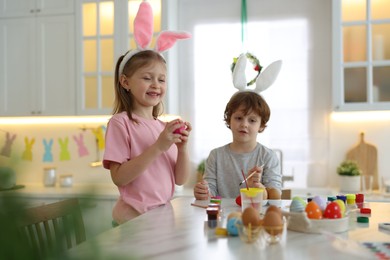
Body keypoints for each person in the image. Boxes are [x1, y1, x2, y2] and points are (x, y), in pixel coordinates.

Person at [103, 1, 191, 224]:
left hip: (160, 218)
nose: (156, 85)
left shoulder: (162, 127)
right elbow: (120, 178)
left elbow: (180, 179)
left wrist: (182, 148)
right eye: (147, 78)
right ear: (125, 82)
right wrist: (159, 146)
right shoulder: (120, 123)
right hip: (131, 221)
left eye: (161, 79)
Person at [193, 91, 282, 200]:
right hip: (223, 216)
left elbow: (276, 197)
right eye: (239, 118)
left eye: (252, 120)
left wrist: (259, 188)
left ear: (261, 125)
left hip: (257, 215)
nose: (244, 124)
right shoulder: (216, 156)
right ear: (229, 120)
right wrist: (204, 192)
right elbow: (210, 191)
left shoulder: (268, 156)